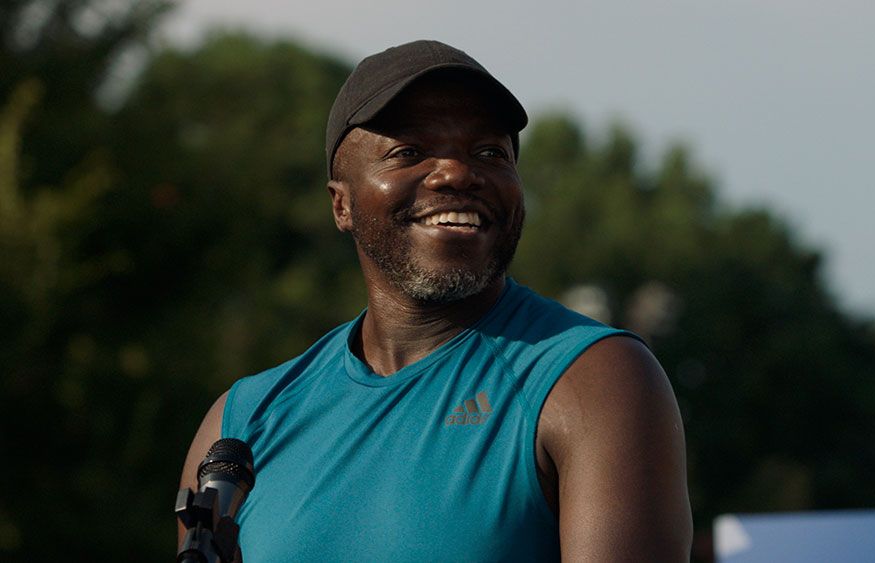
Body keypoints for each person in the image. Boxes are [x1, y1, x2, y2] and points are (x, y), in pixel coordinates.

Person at [179, 40, 692, 561]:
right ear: (341, 204)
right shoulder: (240, 427)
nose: (457, 173)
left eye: (489, 152)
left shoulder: (592, 380)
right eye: (409, 152)